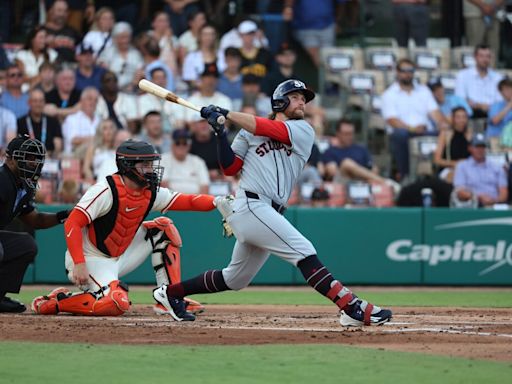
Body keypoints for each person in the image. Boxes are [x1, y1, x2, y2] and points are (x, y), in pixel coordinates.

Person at [152, 79, 393, 326]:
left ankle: (170, 294)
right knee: (304, 250)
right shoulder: (248, 131)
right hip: (251, 206)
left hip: (269, 211)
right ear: (280, 101)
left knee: (235, 279)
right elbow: (230, 167)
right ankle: (350, 307)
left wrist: (227, 114)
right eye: (297, 97)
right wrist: (220, 133)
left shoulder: (303, 130)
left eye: (304, 99)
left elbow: (270, 129)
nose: (302, 102)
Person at [31, 139, 229, 318]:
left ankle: (169, 297)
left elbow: (188, 201)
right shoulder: (105, 190)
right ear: (127, 166)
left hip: (121, 254)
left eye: (151, 164)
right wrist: (79, 263)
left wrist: (218, 202)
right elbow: (73, 222)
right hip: (89, 258)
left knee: (164, 229)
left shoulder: (149, 192)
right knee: (117, 303)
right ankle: (57, 302)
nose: (151, 169)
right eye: (145, 165)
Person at [0, 135, 69, 313]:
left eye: (35, 158)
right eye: (28, 157)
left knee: (25, 245)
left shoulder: (24, 184)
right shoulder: (2, 180)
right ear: (11, 159)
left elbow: (34, 219)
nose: (33, 162)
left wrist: (63, 216)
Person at [381, 58, 448, 180]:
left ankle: (443, 174)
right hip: (404, 132)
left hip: (426, 130)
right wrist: (412, 129)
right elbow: (392, 120)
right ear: (397, 72)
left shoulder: (423, 90)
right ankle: (406, 175)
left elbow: (435, 112)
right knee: (399, 135)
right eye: (403, 70)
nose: (407, 74)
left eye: (410, 70)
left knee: (446, 133)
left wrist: (442, 124)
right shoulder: (389, 94)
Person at [318, 119, 400, 193]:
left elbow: (373, 169)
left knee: (371, 176)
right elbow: (332, 172)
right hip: (342, 183)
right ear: (338, 133)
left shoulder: (361, 149)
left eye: (351, 133)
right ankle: (385, 182)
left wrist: (363, 176)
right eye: (346, 134)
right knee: (347, 163)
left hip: (364, 182)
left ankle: (380, 184)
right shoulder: (330, 151)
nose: (349, 137)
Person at [452, 133, 508, 207]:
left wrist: (494, 200)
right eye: (477, 147)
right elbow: (460, 192)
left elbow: (503, 192)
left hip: (494, 205)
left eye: (482, 147)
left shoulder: (496, 167)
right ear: (470, 148)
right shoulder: (462, 166)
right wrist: (477, 197)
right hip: (471, 205)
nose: (480, 150)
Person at [454, 44, 503, 118]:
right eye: (481, 56)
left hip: (493, 114)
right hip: (469, 114)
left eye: (488, 56)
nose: (485, 60)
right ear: (475, 57)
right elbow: (460, 99)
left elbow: (500, 101)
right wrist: (479, 106)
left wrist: (484, 106)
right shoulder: (463, 75)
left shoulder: (497, 77)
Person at [161, 128, 210, 194]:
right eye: (177, 143)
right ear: (172, 145)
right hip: (172, 201)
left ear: (189, 145)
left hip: (195, 202)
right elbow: (163, 186)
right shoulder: (163, 160)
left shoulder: (198, 161)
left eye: (185, 143)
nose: (181, 146)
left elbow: (205, 187)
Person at [17, 89, 63, 158]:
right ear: (29, 103)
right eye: (35, 101)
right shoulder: (20, 122)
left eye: (41, 101)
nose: (38, 104)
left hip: (49, 159)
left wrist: (50, 154)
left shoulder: (53, 122)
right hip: (27, 160)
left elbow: (58, 145)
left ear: (44, 102)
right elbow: (18, 146)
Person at [433, 107, 472, 183]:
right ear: (453, 119)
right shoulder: (445, 134)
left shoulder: (470, 135)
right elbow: (437, 160)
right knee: (457, 176)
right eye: (458, 117)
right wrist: (456, 163)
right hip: (449, 168)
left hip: (468, 168)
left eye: (464, 117)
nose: (462, 120)